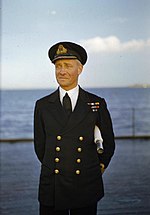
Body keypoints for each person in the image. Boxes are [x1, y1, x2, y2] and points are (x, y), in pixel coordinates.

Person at [34, 41, 115, 215]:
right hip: (53, 184)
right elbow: (40, 147)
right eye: (58, 66)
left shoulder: (96, 103)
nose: (62, 71)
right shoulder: (42, 105)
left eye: (68, 66)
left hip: (85, 183)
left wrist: (96, 168)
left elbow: (108, 142)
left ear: (80, 69)